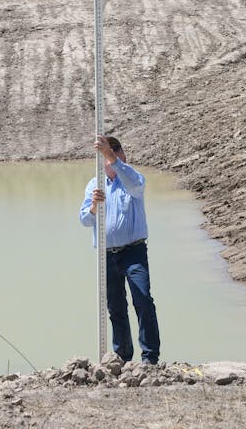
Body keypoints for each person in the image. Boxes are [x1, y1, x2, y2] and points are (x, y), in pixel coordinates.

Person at [79, 135, 161, 365]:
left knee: (143, 299)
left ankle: (150, 358)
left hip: (133, 252)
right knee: (115, 307)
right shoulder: (94, 185)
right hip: (106, 255)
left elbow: (137, 186)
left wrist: (112, 158)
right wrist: (94, 206)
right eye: (108, 153)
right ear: (99, 161)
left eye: (118, 152)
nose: (115, 156)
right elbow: (84, 220)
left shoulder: (132, 177)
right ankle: (123, 358)